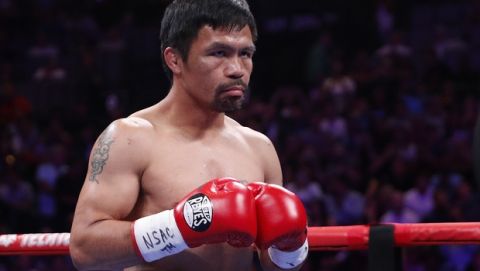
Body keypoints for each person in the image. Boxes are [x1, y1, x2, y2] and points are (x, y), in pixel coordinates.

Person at [69, 0, 309, 270]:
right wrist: (179, 227)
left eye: (245, 53)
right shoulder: (131, 138)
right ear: (175, 59)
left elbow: (275, 267)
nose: (237, 69)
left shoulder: (259, 148)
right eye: (219, 53)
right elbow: (84, 249)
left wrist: (290, 247)